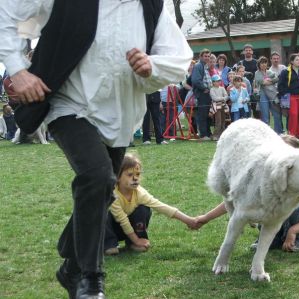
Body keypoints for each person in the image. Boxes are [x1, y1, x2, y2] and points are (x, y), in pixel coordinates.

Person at [0, 1, 193, 299]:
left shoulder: (151, 5)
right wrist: (16, 69)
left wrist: (152, 66)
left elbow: (178, 56)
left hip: (121, 112)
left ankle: (70, 262)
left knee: (102, 190)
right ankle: (90, 278)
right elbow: (7, 11)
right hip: (67, 104)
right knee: (98, 177)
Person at [194, 134, 299, 252]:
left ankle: (296, 240)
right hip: (275, 222)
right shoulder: (265, 179)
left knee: (293, 205)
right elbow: (239, 202)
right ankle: (273, 240)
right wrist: (206, 218)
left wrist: (293, 231)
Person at [104, 153, 196, 255]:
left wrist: (189, 220)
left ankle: (134, 242)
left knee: (143, 209)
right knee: (103, 213)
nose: (135, 178)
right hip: (113, 229)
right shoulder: (112, 193)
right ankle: (109, 244)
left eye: (137, 174)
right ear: (117, 176)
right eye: (130, 175)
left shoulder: (140, 193)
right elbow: (122, 219)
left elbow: (161, 206)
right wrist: (136, 240)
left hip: (129, 230)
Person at [278, 53, 299, 138]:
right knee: (293, 114)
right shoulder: (285, 71)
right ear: (292, 62)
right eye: (297, 59)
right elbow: (280, 85)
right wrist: (284, 96)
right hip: (291, 96)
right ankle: (292, 134)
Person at [253, 56, 282, 133]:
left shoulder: (270, 72)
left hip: (272, 94)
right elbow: (261, 82)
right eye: (262, 63)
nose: (263, 64)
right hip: (262, 95)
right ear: (259, 64)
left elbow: (277, 79)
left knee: (276, 114)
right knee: (265, 115)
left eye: (265, 62)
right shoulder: (257, 73)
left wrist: (270, 80)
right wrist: (269, 81)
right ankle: (266, 133)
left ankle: (278, 132)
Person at [192, 49, 213, 141]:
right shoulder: (198, 66)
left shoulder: (205, 66)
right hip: (202, 94)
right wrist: (204, 88)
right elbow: (196, 80)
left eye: (208, 56)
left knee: (208, 115)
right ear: (201, 56)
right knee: (202, 115)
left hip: (208, 94)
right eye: (205, 56)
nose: (207, 58)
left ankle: (208, 133)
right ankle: (203, 135)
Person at [209, 74, 228, 141]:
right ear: (213, 82)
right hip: (216, 107)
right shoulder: (212, 89)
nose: (218, 82)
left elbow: (226, 96)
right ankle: (216, 135)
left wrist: (221, 98)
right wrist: (222, 98)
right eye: (216, 81)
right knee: (218, 121)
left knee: (223, 121)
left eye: (219, 81)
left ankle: (222, 135)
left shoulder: (222, 88)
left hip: (223, 106)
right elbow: (214, 98)